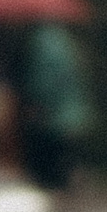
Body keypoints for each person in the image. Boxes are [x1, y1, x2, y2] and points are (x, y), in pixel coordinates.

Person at [19, 19, 93, 193]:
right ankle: (72, 182)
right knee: (68, 153)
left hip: (54, 114)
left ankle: (60, 186)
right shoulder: (64, 41)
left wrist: (34, 101)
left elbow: (43, 81)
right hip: (73, 110)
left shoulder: (43, 44)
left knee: (52, 156)